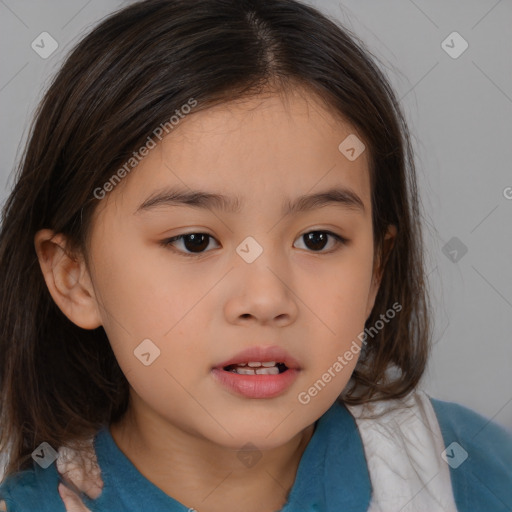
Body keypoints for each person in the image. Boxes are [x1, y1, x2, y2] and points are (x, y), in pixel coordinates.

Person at [0, 1, 510, 511]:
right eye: (195, 241)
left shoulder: (470, 473)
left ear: (377, 267)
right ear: (74, 276)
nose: (266, 299)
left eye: (317, 239)